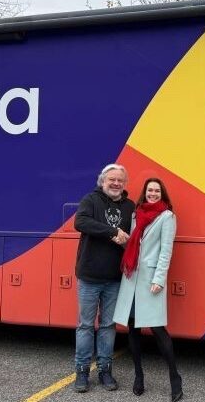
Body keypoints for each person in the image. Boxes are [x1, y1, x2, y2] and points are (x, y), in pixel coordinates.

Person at [113, 178, 183, 402]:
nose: (153, 194)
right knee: (133, 329)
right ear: (145, 192)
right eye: (150, 190)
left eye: (156, 191)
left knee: (158, 330)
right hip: (132, 277)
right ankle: (138, 376)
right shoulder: (137, 214)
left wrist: (159, 279)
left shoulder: (167, 217)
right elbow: (134, 244)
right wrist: (121, 240)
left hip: (150, 280)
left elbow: (166, 250)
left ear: (162, 194)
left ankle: (175, 378)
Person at [73, 163, 135, 393]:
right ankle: (81, 372)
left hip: (115, 278)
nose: (116, 183)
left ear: (124, 183)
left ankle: (105, 370)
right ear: (103, 181)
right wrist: (113, 232)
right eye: (112, 179)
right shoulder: (91, 200)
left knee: (108, 326)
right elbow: (80, 222)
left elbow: (134, 236)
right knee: (86, 326)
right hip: (89, 276)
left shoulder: (130, 206)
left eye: (120, 180)